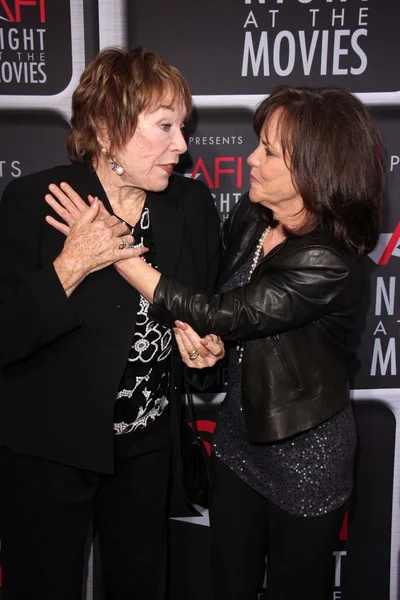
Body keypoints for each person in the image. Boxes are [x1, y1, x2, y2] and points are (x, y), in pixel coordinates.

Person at [46, 85, 385, 599]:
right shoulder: (252, 216)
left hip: (305, 455)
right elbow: (225, 322)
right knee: (228, 583)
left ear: (311, 171)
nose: (250, 158)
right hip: (236, 442)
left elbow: (223, 311)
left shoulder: (328, 259)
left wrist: (114, 247)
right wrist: (211, 350)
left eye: (269, 152)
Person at [0, 46, 222, 600]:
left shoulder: (190, 206)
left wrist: (205, 350)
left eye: (184, 127)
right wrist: (72, 262)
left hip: (146, 448)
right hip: (49, 450)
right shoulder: (37, 200)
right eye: (165, 126)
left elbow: (198, 330)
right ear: (106, 126)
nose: (182, 146)